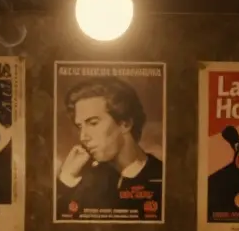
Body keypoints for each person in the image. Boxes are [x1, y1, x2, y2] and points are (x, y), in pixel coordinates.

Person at [55, 76, 163, 219]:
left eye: (93, 123)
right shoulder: (83, 178)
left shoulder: (161, 177)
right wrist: (66, 179)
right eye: (80, 126)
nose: (83, 137)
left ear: (125, 124)